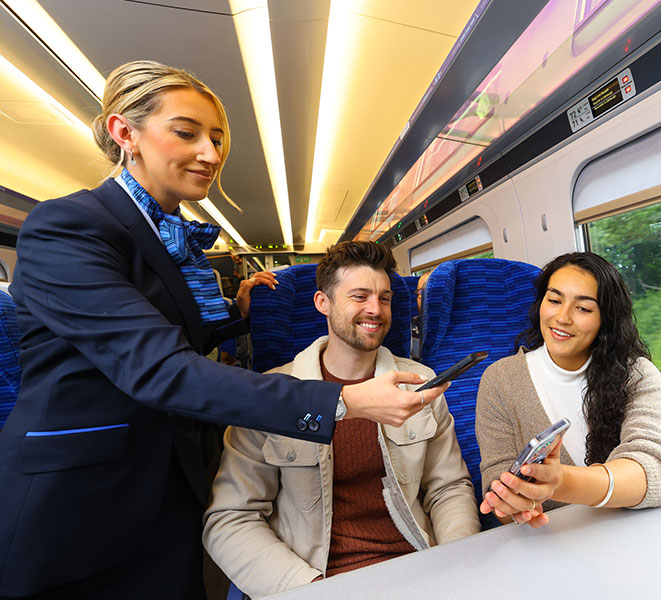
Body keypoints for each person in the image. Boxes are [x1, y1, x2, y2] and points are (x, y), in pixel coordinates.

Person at [0, 61, 446, 599]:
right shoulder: (68, 227)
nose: (211, 154)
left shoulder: (168, 241)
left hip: (174, 481)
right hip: (81, 497)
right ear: (125, 133)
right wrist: (344, 401)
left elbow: (165, 338)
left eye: (216, 138)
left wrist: (235, 313)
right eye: (186, 133)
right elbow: (158, 366)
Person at [203, 241, 480, 598]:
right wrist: (307, 589)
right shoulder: (270, 394)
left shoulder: (420, 382)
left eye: (384, 298)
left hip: (417, 569)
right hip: (315, 578)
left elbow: (449, 488)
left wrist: (458, 562)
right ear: (323, 303)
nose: (375, 310)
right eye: (359, 296)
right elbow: (230, 520)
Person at [476, 252, 661, 527]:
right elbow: (498, 487)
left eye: (583, 309)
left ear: (606, 319)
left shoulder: (636, 374)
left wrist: (561, 482)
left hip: (626, 532)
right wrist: (512, 502)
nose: (562, 318)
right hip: (547, 541)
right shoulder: (500, 380)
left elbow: (659, 471)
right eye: (554, 301)